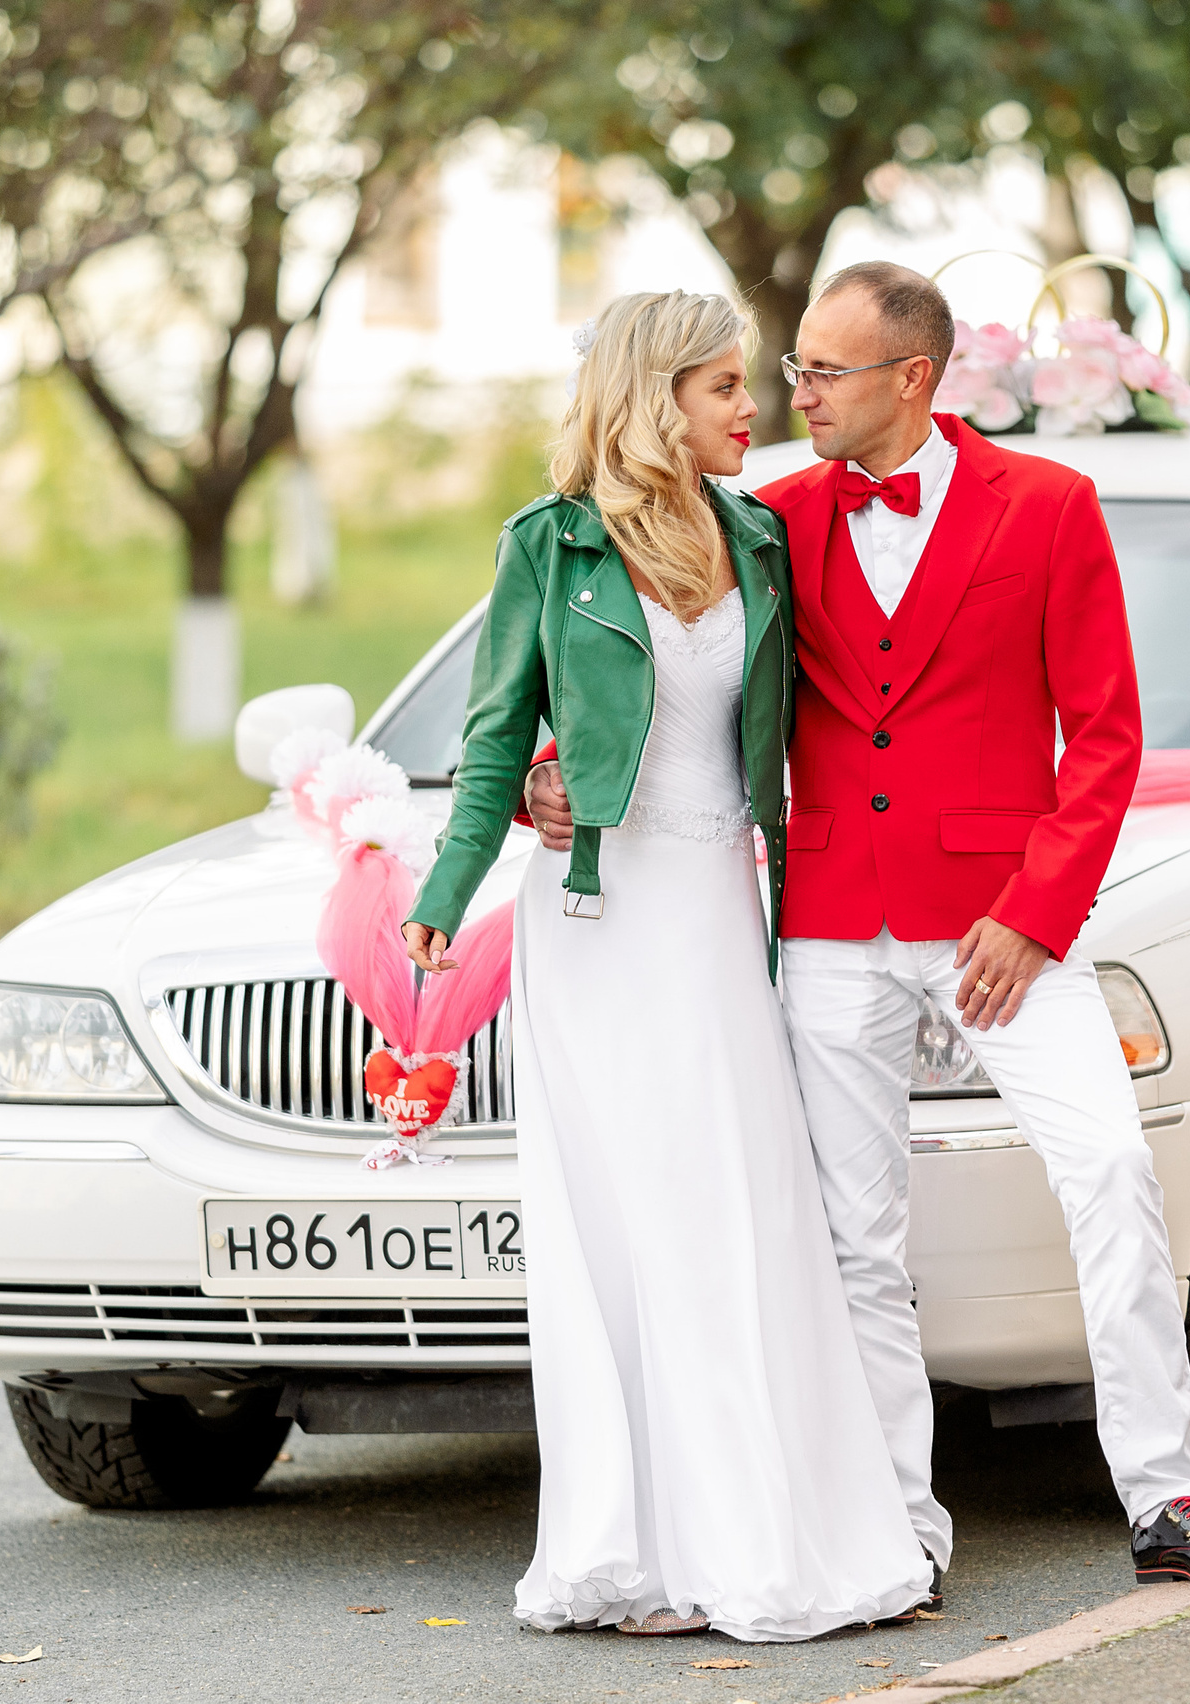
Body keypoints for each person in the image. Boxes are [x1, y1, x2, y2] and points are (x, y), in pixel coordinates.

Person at [528, 262, 1190, 1587]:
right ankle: (901, 1528)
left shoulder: (1049, 508)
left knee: (1109, 1169)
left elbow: (1106, 738)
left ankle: (1168, 1497)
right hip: (827, 918)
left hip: (1003, 928)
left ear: (914, 379)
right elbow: (645, 653)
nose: (795, 391)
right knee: (855, 1236)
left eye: (825, 371)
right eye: (793, 368)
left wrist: (1034, 914)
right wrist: (559, 770)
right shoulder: (763, 522)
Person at [399, 290, 934, 1642]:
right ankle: (631, 1550)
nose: (751, 411)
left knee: (738, 1225)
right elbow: (491, 739)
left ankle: (756, 1537)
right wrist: (450, 889)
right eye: (723, 390)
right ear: (654, 402)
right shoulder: (549, 548)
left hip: (716, 923)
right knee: (621, 1242)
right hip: (595, 933)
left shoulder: (760, 535)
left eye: (750, 388)